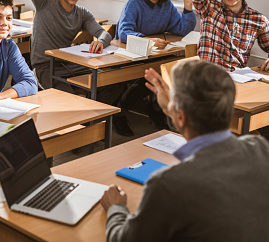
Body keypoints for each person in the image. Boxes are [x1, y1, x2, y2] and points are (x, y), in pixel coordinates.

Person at [100, 60, 269, 241]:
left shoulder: (167, 184)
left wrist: (115, 207)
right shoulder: (261, 149)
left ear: (180, 116)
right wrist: (172, 109)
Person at [113, 0, 196, 136]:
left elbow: (181, 28)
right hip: (130, 54)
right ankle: (119, 113)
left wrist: (188, 7)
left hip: (153, 55)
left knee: (169, 72)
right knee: (151, 76)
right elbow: (124, 33)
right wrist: (148, 41)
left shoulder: (166, 5)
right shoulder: (134, 3)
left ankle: (155, 108)